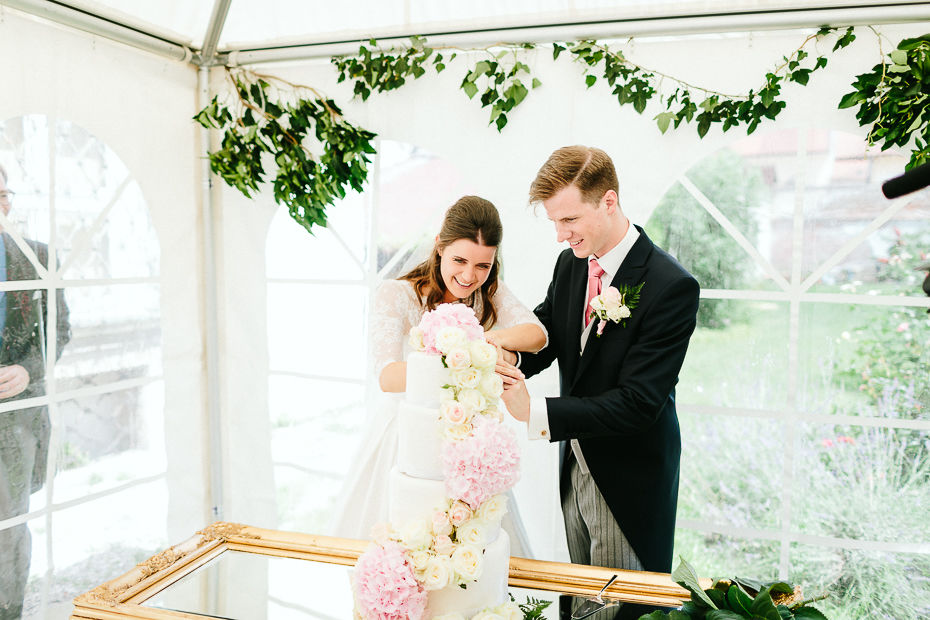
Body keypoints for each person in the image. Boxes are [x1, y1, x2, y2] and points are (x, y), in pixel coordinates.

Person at [497, 146, 699, 593]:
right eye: (554, 222)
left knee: (619, 604)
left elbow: (639, 403)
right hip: (575, 464)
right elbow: (548, 330)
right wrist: (506, 358)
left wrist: (535, 412)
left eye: (568, 220)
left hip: (630, 480)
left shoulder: (672, 286)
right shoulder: (571, 264)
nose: (560, 235)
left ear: (608, 201)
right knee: (581, 595)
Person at [330, 195, 547, 556]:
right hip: (404, 439)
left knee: (472, 555)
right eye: (459, 260)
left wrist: (489, 341)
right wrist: (462, 357)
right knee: (405, 549)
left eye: (483, 265)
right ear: (439, 247)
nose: (469, 276)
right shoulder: (396, 294)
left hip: (467, 441)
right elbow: (387, 377)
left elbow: (537, 336)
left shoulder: (488, 293)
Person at [0, 163, 71, 620]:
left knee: (8, 532)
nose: (2, 202)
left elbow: (59, 331)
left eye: (3, 193)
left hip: (17, 425)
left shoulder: (39, 257)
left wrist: (28, 371)